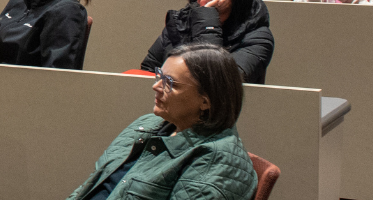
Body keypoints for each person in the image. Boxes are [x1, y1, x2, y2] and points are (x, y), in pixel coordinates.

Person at [66, 44, 256, 200]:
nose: (156, 86)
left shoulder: (216, 163)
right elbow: (91, 185)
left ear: (205, 101)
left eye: (170, 83)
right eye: (160, 76)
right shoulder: (148, 124)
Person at [140, 0, 274, 84]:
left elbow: (219, 85)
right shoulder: (181, 20)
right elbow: (149, 69)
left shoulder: (258, 38)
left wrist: (208, 20)